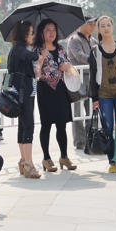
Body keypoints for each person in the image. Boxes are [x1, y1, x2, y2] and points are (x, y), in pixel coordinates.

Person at [88, 16, 116, 173]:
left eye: (108, 25)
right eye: (102, 26)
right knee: (108, 129)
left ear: (113, 27)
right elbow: (93, 75)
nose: (106, 28)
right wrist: (94, 98)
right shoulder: (95, 51)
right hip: (104, 95)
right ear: (98, 29)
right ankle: (112, 161)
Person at [35, 18, 75, 172]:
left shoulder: (60, 48)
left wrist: (67, 65)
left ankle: (64, 157)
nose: (51, 33)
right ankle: (46, 158)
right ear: (41, 33)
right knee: (46, 125)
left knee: (61, 124)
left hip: (60, 89)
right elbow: (35, 72)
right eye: (47, 30)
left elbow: (69, 63)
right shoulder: (37, 50)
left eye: (53, 30)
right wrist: (42, 58)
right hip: (45, 89)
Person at [7, 20, 46, 179]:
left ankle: (24, 160)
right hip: (24, 91)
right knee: (28, 126)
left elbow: (34, 70)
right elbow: (31, 56)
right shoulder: (19, 49)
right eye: (31, 33)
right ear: (24, 34)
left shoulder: (16, 49)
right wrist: (40, 56)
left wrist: (40, 59)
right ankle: (29, 163)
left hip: (22, 90)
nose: (33, 36)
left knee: (23, 126)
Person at [66, 15, 96, 150]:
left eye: (94, 24)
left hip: (91, 77)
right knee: (77, 111)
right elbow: (79, 56)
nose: (93, 26)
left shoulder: (94, 40)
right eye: (90, 24)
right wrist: (96, 59)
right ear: (81, 25)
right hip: (76, 78)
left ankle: (91, 137)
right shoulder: (74, 40)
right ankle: (80, 141)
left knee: (91, 109)